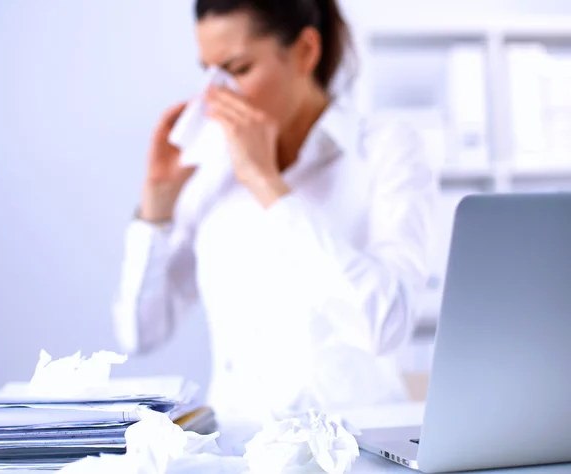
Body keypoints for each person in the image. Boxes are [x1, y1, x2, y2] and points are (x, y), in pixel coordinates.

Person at [113, 0, 435, 423]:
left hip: (360, 445)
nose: (217, 93)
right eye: (208, 71)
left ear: (305, 50)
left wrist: (268, 185)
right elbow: (140, 334)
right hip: (236, 449)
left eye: (238, 69)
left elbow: (387, 324)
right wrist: (157, 204)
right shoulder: (210, 166)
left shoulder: (385, 148)